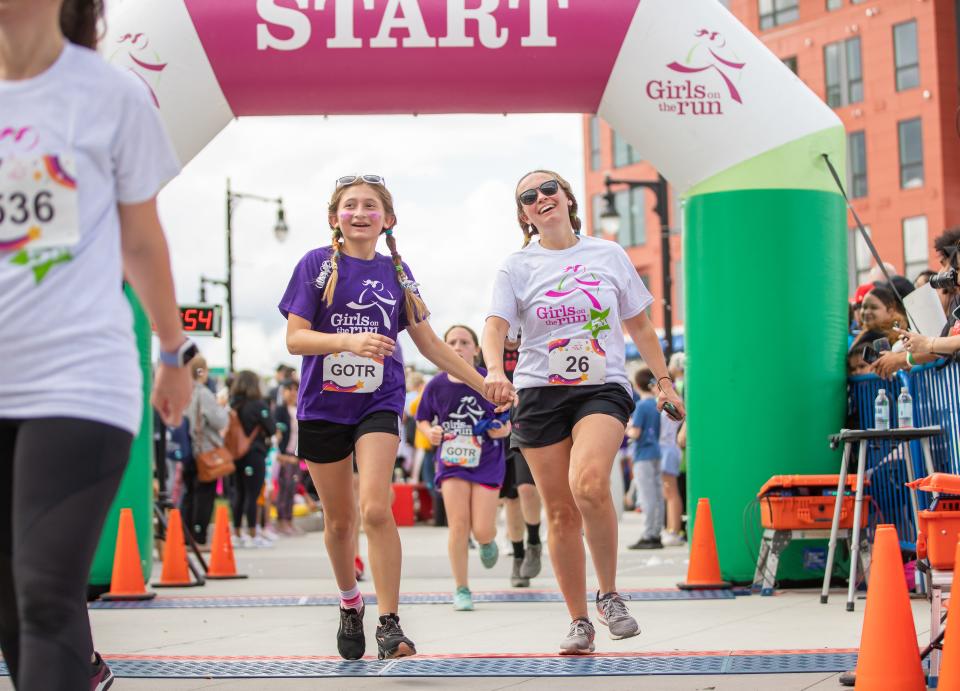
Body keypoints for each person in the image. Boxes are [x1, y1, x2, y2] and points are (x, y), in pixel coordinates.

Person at [0, 1, 193, 687]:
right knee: (10, 608)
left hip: (77, 379)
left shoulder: (110, 94)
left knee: (46, 593)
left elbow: (142, 241)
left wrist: (173, 354)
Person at [279, 174, 510, 661]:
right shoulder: (317, 266)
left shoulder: (397, 274)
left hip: (377, 401)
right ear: (334, 217)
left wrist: (484, 381)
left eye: (370, 206)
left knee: (377, 509)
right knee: (340, 521)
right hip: (322, 405)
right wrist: (347, 341)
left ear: (388, 219)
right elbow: (295, 340)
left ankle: (389, 622)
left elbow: (429, 345)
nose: (360, 213)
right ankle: (349, 603)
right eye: (350, 206)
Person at [482, 170, 684, 655]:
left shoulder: (607, 254)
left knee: (590, 484)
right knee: (559, 511)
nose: (540, 198)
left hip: (601, 386)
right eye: (528, 196)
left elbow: (638, 324)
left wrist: (664, 381)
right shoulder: (516, 267)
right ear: (524, 215)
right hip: (538, 392)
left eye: (548, 189)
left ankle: (610, 595)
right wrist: (494, 369)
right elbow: (495, 326)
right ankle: (578, 621)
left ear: (568, 198)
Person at [416, 325, 509, 611]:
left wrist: (502, 430)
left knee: (481, 529)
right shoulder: (436, 385)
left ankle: (487, 540)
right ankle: (462, 588)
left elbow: (507, 418)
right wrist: (429, 432)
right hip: (452, 459)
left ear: (477, 349)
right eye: (451, 342)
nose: (457, 347)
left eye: (464, 342)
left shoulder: (487, 380)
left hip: (487, 459)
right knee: (458, 525)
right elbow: (422, 418)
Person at [498, 329, 543, 588]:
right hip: (499, 430)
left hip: (528, 422)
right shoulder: (491, 349)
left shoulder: (535, 337)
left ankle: (534, 540)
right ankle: (518, 556)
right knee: (510, 499)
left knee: (527, 488)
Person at [183, 355, 229, 547]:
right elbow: (220, 421)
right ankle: (199, 536)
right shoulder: (203, 393)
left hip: (185, 448)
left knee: (188, 493)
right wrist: (222, 407)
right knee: (204, 494)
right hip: (204, 450)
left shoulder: (182, 392)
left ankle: (185, 535)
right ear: (202, 371)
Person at [229, 370, 277, 548]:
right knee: (253, 494)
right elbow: (271, 428)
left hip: (235, 455)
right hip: (254, 453)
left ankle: (237, 532)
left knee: (239, 493)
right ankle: (252, 533)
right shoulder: (258, 405)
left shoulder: (233, 404)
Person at [627, 369, 664, 550]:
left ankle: (649, 533)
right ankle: (656, 531)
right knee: (657, 494)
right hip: (656, 450)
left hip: (643, 453)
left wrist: (627, 428)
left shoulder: (641, 406)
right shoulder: (656, 404)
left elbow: (636, 432)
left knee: (646, 495)